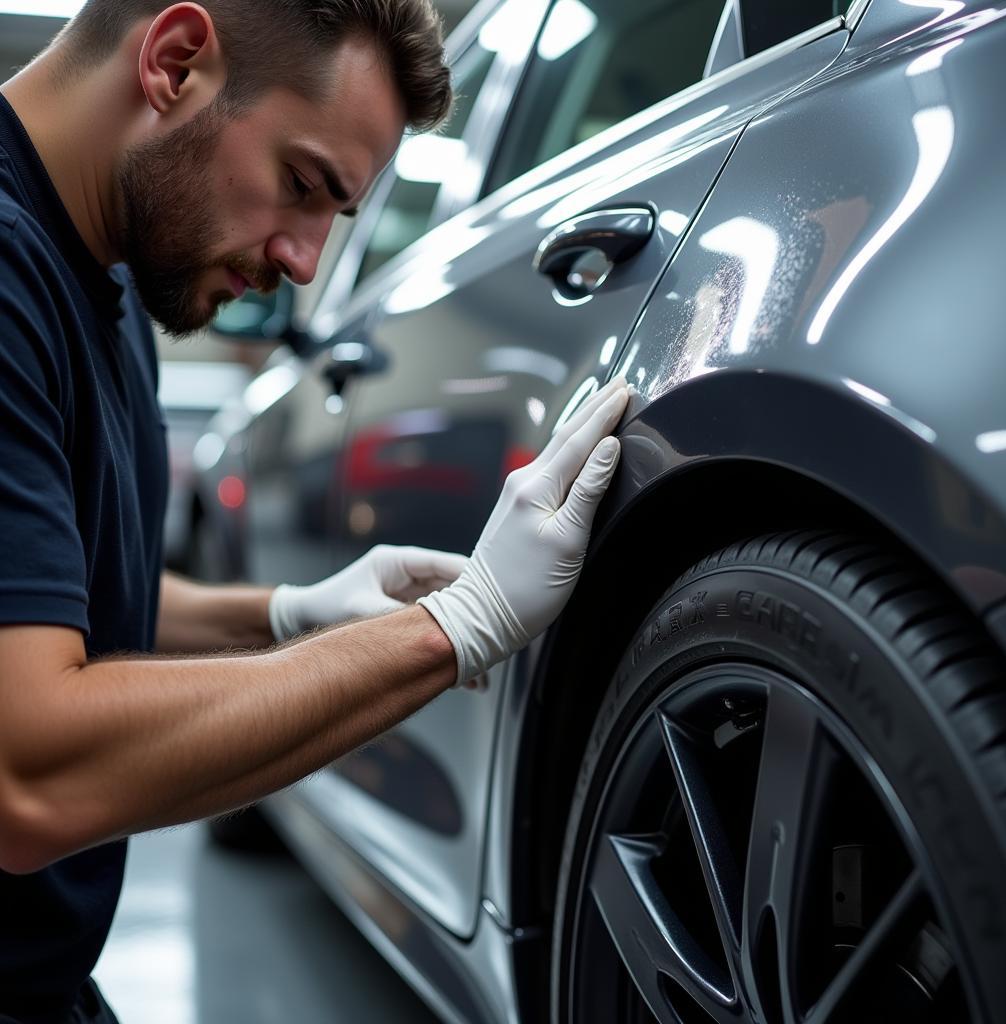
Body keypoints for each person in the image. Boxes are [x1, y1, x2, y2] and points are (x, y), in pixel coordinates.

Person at [0, 2, 629, 1022]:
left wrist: (286, 613)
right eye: (303, 185)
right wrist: (451, 632)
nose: (302, 261)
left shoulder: (110, 292)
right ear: (173, 62)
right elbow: (26, 776)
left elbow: (57, 602)